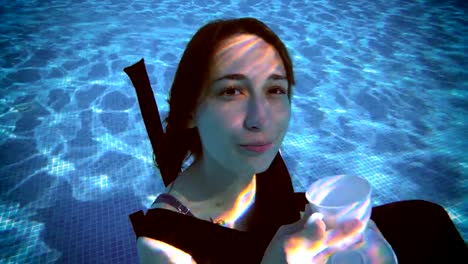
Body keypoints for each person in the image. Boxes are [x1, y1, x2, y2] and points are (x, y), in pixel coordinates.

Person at [128, 17, 468, 263]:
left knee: (428, 219)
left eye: (275, 90)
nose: (262, 119)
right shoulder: (164, 246)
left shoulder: (255, 153)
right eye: (231, 91)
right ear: (189, 111)